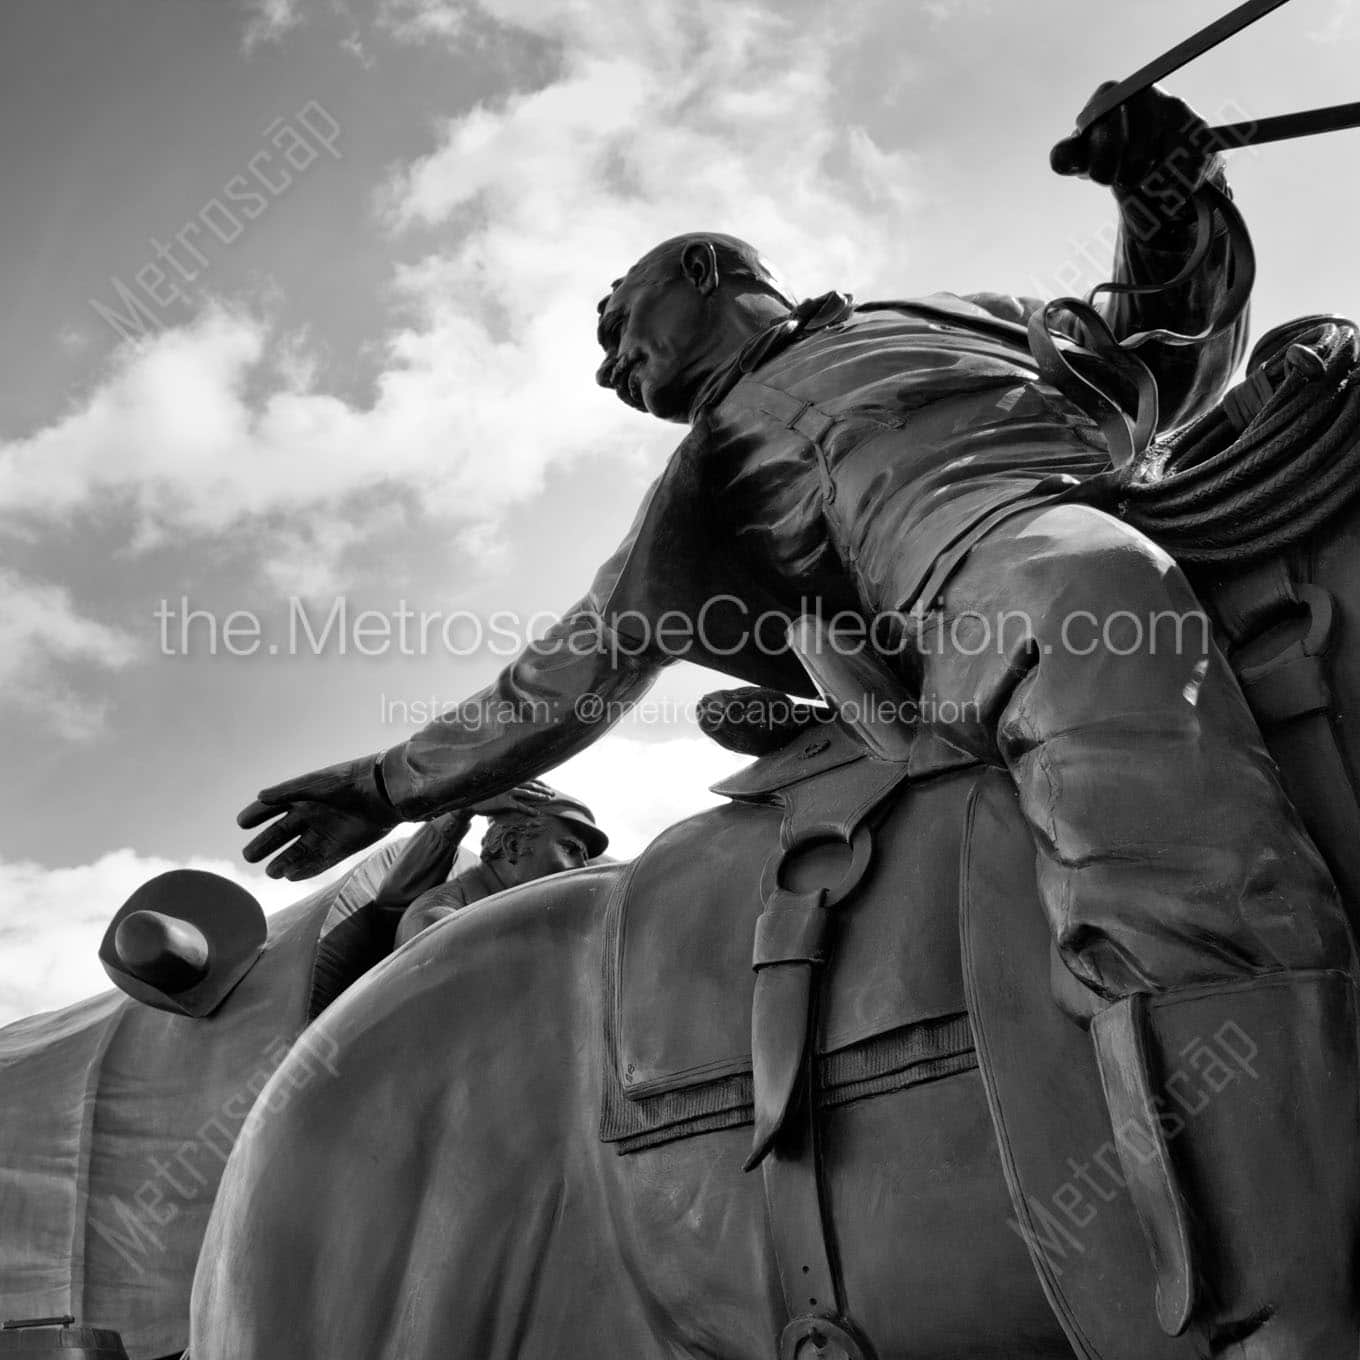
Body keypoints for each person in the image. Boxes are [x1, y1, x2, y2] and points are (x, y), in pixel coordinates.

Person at [236, 82, 1359, 1355]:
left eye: (619, 328)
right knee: (1100, 618)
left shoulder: (966, 312)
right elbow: (576, 662)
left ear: (707, 272)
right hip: (996, 573)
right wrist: (394, 783)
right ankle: (1276, 1300)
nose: (615, 368)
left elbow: (1161, 346)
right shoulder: (711, 467)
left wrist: (1163, 187)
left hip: (1169, 494)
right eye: (607, 361)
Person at [369, 782, 607, 946]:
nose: (582, 868)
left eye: (584, 856)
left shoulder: (525, 919)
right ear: (513, 845)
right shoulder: (436, 921)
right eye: (570, 849)